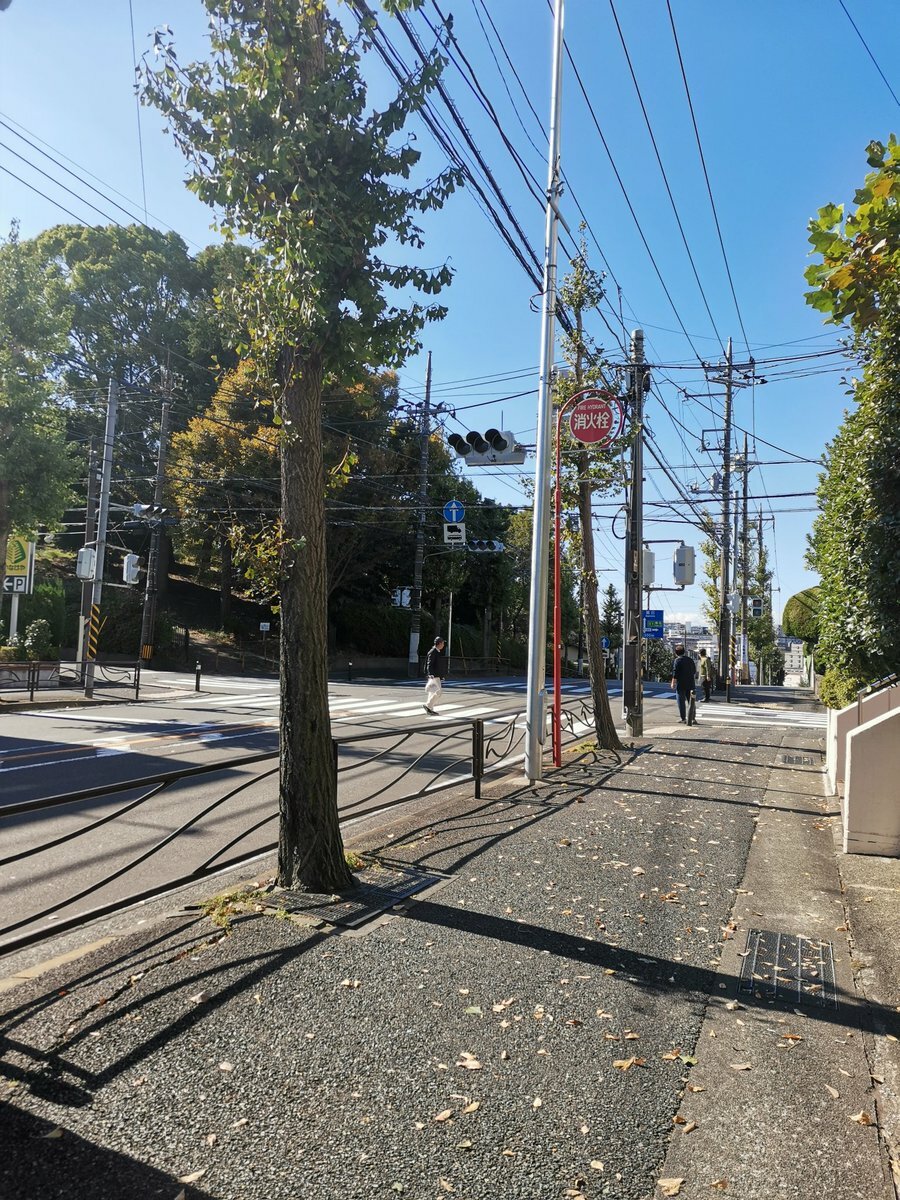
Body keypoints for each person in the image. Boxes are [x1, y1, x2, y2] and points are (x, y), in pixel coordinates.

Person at [670, 644, 697, 725]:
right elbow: (694, 671)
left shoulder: (677, 660)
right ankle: (693, 719)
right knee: (691, 701)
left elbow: (675, 673)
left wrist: (673, 682)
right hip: (691, 683)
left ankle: (683, 718)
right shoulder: (690, 660)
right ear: (684, 652)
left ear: (676, 653)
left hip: (681, 684)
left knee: (681, 701)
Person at [424, 636, 447, 714]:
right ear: (439, 643)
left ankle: (430, 709)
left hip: (435, 675)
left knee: (432, 692)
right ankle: (428, 705)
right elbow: (429, 663)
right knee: (438, 692)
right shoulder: (433, 651)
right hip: (434, 676)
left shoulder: (436, 651)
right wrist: (431, 674)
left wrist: (441, 676)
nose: (443, 645)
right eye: (443, 643)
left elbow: (437, 665)